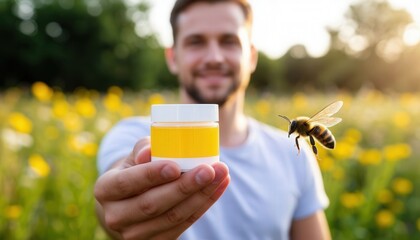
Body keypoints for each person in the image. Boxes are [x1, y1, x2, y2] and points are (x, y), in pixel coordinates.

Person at [94, 0, 331, 239]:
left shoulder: (293, 155)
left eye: (229, 41)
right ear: (172, 57)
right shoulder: (133, 135)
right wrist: (116, 207)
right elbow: (113, 196)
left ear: (251, 57)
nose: (214, 57)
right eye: (196, 42)